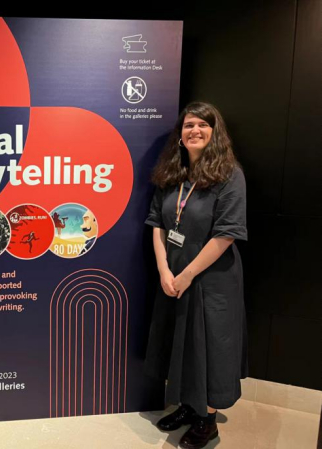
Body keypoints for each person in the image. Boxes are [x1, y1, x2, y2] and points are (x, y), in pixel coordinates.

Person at [144, 102, 248, 449]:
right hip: (173, 277)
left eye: (204, 125)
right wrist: (164, 269)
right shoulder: (171, 174)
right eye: (189, 125)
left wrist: (187, 275)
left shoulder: (230, 175)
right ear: (180, 134)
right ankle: (189, 406)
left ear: (215, 133)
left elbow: (227, 234)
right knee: (182, 344)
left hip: (211, 280)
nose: (195, 131)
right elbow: (158, 224)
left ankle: (207, 421)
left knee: (209, 348)